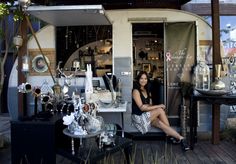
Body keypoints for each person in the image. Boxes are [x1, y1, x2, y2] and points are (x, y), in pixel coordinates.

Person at [131, 71, 189, 151]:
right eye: (141, 78)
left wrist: (152, 107)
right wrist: (158, 106)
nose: (143, 80)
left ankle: (180, 138)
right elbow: (142, 108)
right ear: (138, 79)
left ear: (147, 80)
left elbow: (149, 105)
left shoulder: (146, 90)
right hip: (139, 118)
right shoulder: (135, 91)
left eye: (145, 79)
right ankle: (172, 136)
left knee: (160, 123)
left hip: (146, 115)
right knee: (160, 110)